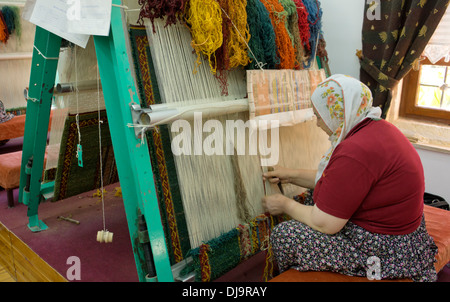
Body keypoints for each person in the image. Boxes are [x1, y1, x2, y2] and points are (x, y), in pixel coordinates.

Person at [262, 74, 438, 282]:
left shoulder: (355, 150)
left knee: (285, 236)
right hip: (406, 235)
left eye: (319, 116)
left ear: (338, 114)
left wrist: (284, 204)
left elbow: (326, 224)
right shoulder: (375, 127)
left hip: (385, 248)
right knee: (315, 197)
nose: (317, 123)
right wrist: (290, 175)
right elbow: (338, 183)